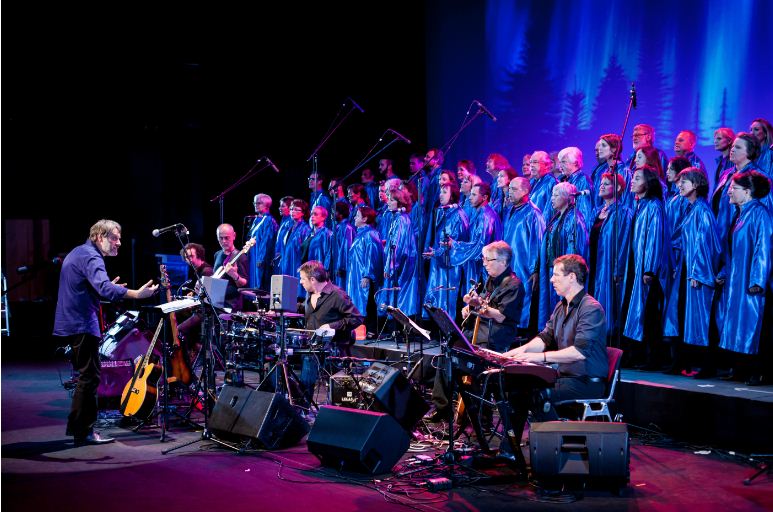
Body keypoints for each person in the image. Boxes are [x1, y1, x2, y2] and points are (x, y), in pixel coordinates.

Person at [54, 219, 158, 445]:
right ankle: (84, 432)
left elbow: (92, 287)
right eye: (114, 238)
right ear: (99, 237)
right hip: (81, 322)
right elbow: (103, 288)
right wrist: (135, 294)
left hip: (73, 320)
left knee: (86, 375)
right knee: (89, 377)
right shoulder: (92, 256)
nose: (119, 243)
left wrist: (109, 288)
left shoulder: (80, 252)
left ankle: (79, 429)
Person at [502, 254, 608, 462]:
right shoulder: (561, 306)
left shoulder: (591, 309)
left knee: (538, 395)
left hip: (586, 382)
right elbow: (545, 337)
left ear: (571, 277)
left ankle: (560, 456)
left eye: (556, 275)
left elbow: (579, 352)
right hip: (565, 377)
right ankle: (510, 451)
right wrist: (518, 352)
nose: (551, 279)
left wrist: (539, 358)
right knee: (517, 391)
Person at [427, 241, 525, 422]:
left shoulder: (514, 285)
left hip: (496, 333)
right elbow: (481, 301)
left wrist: (480, 307)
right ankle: (442, 407)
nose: (485, 263)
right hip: (478, 329)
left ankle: (479, 415)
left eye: (489, 260)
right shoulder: (490, 280)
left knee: (471, 359)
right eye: (484, 259)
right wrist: (470, 307)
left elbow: (502, 316)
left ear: (503, 262)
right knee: (446, 352)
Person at [662, 168, 720, 377]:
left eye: (684, 181)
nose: (680, 185)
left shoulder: (702, 211)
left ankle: (706, 365)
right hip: (687, 269)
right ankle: (681, 361)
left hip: (696, 272)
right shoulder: (691, 209)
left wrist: (697, 273)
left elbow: (704, 244)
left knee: (699, 319)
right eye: (679, 182)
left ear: (696, 185)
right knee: (680, 314)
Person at [718, 171, 772, 386]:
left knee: (755, 325)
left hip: (751, 281)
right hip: (737, 279)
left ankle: (760, 371)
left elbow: (763, 248)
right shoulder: (740, 214)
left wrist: (757, 280)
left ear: (747, 192)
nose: (729, 191)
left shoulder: (759, 213)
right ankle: (740, 368)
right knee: (738, 323)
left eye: (734, 188)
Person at [620, 166, 668, 369]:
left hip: (647, 271)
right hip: (637, 266)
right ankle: (637, 355)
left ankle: (652, 358)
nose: (632, 181)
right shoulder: (641, 205)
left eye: (637, 178)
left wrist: (649, 269)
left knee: (649, 315)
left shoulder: (654, 206)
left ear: (647, 183)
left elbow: (655, 239)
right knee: (639, 313)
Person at [298, 260, 364, 400]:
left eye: (303, 279)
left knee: (336, 392)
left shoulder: (337, 295)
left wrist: (332, 326)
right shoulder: (309, 295)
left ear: (313, 279)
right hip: (313, 348)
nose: (300, 282)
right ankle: (303, 412)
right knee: (305, 385)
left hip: (333, 349)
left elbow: (357, 318)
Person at [587, 172, 632, 342]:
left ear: (618, 188)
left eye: (607, 183)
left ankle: (610, 344)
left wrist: (618, 269)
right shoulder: (597, 211)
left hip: (609, 267)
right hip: (594, 266)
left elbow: (623, 243)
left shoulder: (623, 212)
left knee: (610, 305)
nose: (602, 186)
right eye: (601, 183)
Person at [537, 181, 588, 328]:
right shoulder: (557, 217)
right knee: (551, 305)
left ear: (567, 197)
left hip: (565, 271)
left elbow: (576, 248)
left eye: (556, 195)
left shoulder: (574, 218)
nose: (552, 198)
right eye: (552, 194)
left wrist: (567, 269)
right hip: (552, 268)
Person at [502, 177, 545, 336]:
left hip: (525, 268)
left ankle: (522, 336)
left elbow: (538, 243)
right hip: (510, 266)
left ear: (526, 191)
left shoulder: (533, 213)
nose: (509, 192)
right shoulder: (511, 210)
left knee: (524, 304)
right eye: (509, 188)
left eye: (514, 189)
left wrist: (535, 270)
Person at [423, 182, 470, 317]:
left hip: (450, 265)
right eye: (440, 192)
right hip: (439, 261)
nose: (440, 195)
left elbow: (455, 242)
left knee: (447, 297)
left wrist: (436, 252)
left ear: (453, 195)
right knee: (436, 295)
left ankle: (449, 331)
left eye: (444, 192)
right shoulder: (443, 212)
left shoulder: (458, 215)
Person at [448, 182, 503, 286]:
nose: (469, 198)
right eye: (471, 194)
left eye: (474, 195)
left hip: (484, 270)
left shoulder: (486, 217)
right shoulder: (479, 214)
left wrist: (455, 244)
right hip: (478, 267)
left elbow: (479, 246)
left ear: (484, 197)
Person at [382, 187, 420, 317]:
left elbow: (397, 246)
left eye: (392, 200)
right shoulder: (398, 218)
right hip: (402, 262)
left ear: (400, 202)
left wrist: (390, 266)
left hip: (402, 264)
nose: (388, 202)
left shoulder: (401, 219)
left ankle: (401, 326)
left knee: (401, 294)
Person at [346, 206, 383, 329]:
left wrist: (368, 275)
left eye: (357, 215)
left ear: (365, 218)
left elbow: (372, 255)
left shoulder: (370, 234)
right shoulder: (360, 234)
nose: (355, 218)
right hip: (357, 274)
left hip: (365, 275)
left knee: (368, 301)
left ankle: (371, 328)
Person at [213, 224, 250, 311]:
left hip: (231, 305)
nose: (224, 241)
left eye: (226, 238)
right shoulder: (217, 254)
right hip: (216, 302)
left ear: (234, 236)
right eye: (220, 238)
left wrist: (235, 275)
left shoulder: (240, 256)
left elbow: (244, 283)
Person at [281, 199, 312, 298]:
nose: (292, 212)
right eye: (291, 209)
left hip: (297, 264)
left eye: (296, 209)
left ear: (302, 212)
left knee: (297, 292)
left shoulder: (305, 229)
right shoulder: (289, 227)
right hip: (287, 262)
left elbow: (305, 251)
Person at [248, 194, 278, 291]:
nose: (256, 205)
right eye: (255, 202)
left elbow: (266, 242)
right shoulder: (256, 219)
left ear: (267, 205)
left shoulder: (269, 221)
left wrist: (261, 259)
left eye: (259, 203)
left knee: (260, 285)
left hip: (261, 259)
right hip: (253, 255)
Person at [558, 147, 594, 227]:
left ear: (575, 163)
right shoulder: (566, 180)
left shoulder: (582, 180)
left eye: (563, 162)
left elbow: (584, 211)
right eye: (560, 162)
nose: (559, 166)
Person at [527, 150, 558, 221]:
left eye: (535, 162)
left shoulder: (552, 183)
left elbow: (550, 212)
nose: (531, 165)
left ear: (546, 165)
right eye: (530, 162)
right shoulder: (531, 182)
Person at [330, 201, 355, 289]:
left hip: (342, 268)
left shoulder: (347, 228)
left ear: (340, 213)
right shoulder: (337, 227)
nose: (331, 214)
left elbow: (346, 248)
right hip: (336, 265)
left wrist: (342, 266)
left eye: (334, 211)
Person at [303, 206, 333, 272]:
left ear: (323, 217)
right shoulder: (308, 233)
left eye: (315, 214)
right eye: (311, 214)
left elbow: (328, 255)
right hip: (308, 271)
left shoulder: (327, 234)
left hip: (319, 273)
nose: (312, 216)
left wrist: (324, 272)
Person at [272, 196, 294, 276]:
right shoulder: (284, 221)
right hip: (279, 257)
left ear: (290, 208)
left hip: (285, 258)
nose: (279, 208)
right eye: (280, 206)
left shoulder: (291, 222)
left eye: (283, 206)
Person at [712, 127, 735, 192]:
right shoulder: (720, 161)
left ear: (729, 141)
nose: (715, 141)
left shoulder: (733, 161)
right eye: (715, 139)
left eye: (719, 139)